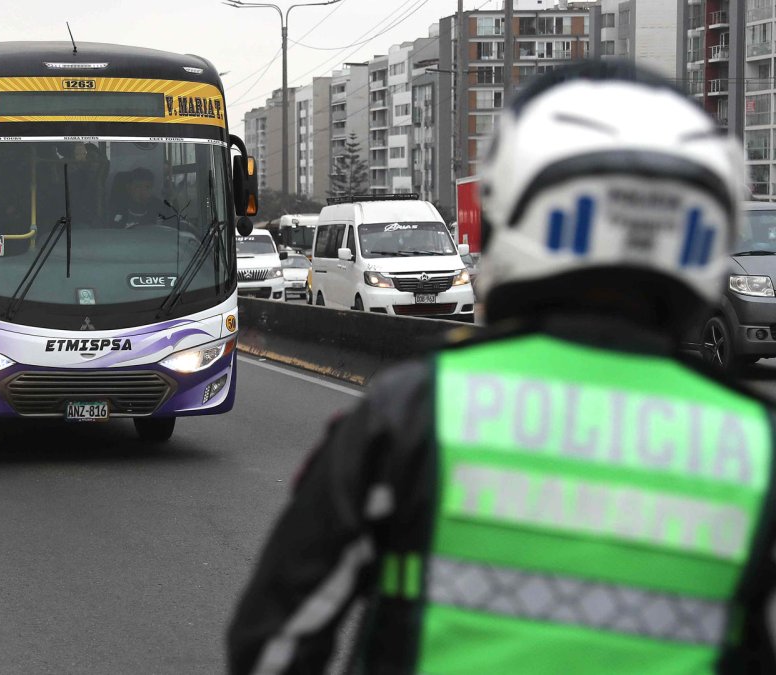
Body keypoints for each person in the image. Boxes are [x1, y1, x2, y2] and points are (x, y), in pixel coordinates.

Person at [227, 62, 776, 673]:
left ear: (518, 206)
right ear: (702, 230)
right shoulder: (754, 443)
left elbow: (272, 645)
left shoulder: (415, 414)